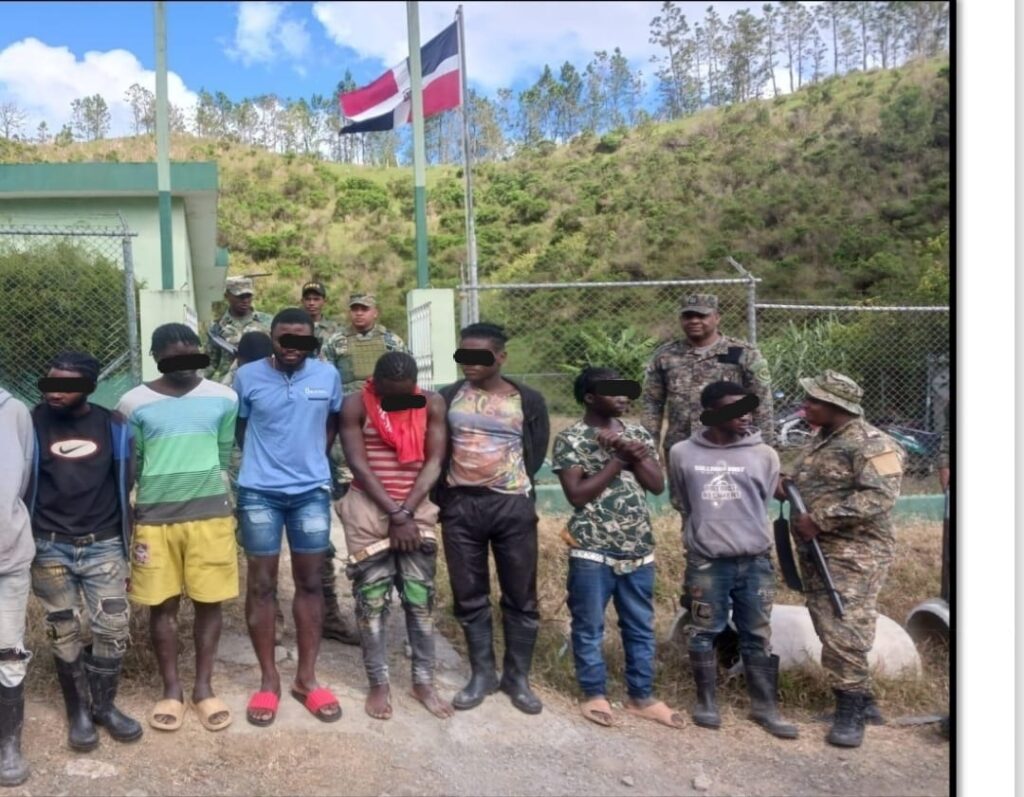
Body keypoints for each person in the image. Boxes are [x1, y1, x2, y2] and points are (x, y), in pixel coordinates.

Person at [116, 324, 239, 734]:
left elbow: (223, 454)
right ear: (156, 357)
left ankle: (204, 688)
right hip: (155, 520)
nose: (185, 364)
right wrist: (131, 515)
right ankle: (171, 690)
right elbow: (132, 463)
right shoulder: (132, 403)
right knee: (162, 605)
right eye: (174, 357)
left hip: (210, 517)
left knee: (209, 602)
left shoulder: (224, 398)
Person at [552, 367, 681, 729]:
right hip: (592, 548)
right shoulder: (571, 438)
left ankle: (642, 697)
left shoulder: (637, 433)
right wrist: (618, 461)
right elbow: (577, 495)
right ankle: (594, 693)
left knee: (640, 625)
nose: (624, 397)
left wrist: (634, 455)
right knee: (589, 625)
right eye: (613, 391)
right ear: (590, 398)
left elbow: (656, 485)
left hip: (638, 547)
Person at [234, 308, 343, 727]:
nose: (292, 346)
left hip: (310, 493)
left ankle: (306, 680)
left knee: (311, 582)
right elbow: (240, 428)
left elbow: (332, 423)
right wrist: (267, 462)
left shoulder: (327, 376)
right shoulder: (247, 377)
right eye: (284, 338)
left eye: (301, 339)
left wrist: (311, 458)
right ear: (272, 338)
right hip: (259, 492)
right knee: (261, 584)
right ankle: (269, 681)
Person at [669, 381, 797, 738]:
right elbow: (683, 500)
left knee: (757, 632)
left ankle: (764, 707)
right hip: (708, 561)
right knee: (703, 630)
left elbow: (765, 500)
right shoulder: (682, 453)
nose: (745, 416)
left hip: (755, 561)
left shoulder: (765, 455)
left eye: (748, 409)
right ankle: (707, 703)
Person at [29, 353, 141, 753]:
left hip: (104, 545)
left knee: (113, 627)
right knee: (63, 630)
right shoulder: (30, 422)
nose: (55, 392)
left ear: (89, 388)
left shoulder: (114, 425)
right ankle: (78, 712)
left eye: (67, 385)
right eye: (50, 383)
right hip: (49, 545)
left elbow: (127, 478)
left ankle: (104, 707)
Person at [435, 323, 550, 715]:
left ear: (501, 357)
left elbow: (535, 452)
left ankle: (517, 678)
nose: (469, 362)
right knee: (469, 594)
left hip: (511, 506)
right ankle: (482, 674)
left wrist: (512, 486)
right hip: (460, 506)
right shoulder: (449, 397)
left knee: (521, 595)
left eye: (479, 355)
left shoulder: (527, 400)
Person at [786, 370, 903, 748]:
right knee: (828, 620)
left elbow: (880, 497)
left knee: (845, 625)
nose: (805, 405)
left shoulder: (874, 444)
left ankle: (851, 710)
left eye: (813, 400)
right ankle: (865, 703)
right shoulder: (824, 438)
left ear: (836, 405)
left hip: (856, 552)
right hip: (821, 549)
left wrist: (819, 519)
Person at [338, 352, 452, 721]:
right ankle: (378, 683)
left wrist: (407, 512)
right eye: (389, 396)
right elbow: (358, 462)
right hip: (368, 510)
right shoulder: (355, 405)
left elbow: (434, 461)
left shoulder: (432, 403)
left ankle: (424, 682)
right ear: (375, 382)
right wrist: (394, 513)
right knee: (371, 602)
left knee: (419, 599)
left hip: (415, 509)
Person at [321, 292, 404, 645]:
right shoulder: (335, 342)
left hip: (384, 433)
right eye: (354, 309)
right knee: (350, 517)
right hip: (346, 434)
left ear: (376, 311)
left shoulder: (392, 341)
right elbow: (326, 382)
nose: (358, 314)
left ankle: (385, 601)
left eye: (364, 309)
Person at [641, 293, 773, 508]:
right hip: (683, 446)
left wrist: (762, 449)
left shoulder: (743, 353)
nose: (694, 321)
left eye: (702, 316)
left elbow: (761, 403)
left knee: (733, 503)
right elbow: (652, 405)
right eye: (688, 316)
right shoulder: (665, 356)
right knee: (686, 505)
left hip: (731, 447)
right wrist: (649, 450)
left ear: (717, 317)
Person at [0, 386, 34, 787]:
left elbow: (24, 478)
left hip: (7, 554)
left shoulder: (13, 411)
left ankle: (8, 743)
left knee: (8, 648)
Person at [205, 276, 273, 383]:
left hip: (261, 381)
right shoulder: (216, 328)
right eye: (240, 296)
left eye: (248, 296)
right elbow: (210, 363)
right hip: (228, 384)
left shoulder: (267, 322)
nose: (245, 301)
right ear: (227, 296)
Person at [301, 282, 338, 351]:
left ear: (324, 301)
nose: (311, 303)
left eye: (316, 299)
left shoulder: (335, 329)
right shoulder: (294, 328)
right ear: (302, 301)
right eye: (308, 299)